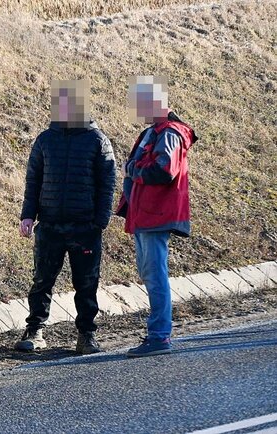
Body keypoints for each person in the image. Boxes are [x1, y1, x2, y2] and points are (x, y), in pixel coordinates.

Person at [16, 79, 116, 354]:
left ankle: (86, 335)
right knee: (42, 280)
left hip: (85, 227)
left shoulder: (98, 141)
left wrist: (100, 222)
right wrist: (28, 215)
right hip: (49, 225)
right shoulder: (45, 140)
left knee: (86, 284)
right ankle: (35, 330)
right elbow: (33, 180)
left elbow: (107, 184)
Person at [116, 75, 198, 358]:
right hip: (145, 214)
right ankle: (157, 334)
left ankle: (159, 336)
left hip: (155, 214)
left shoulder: (169, 132)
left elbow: (164, 170)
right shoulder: (154, 131)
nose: (137, 108)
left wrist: (131, 170)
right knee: (150, 273)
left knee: (155, 274)